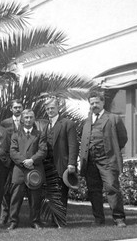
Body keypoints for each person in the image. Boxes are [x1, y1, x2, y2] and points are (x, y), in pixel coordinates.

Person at [79, 92, 128, 227]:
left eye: (97, 103)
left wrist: (112, 150)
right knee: (94, 191)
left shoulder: (113, 118)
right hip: (90, 162)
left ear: (102, 103)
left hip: (107, 160)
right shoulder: (87, 121)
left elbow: (122, 139)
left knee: (112, 188)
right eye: (92, 103)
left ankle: (119, 219)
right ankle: (98, 219)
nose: (94, 105)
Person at [8, 109, 47, 230]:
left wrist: (32, 160)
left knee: (35, 198)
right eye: (26, 117)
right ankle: (13, 221)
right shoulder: (15, 134)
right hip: (19, 170)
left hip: (35, 170)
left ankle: (35, 221)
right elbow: (13, 151)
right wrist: (24, 162)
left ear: (34, 119)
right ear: (22, 119)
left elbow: (43, 151)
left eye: (31, 117)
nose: (28, 120)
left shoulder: (40, 134)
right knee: (15, 197)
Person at [43, 98, 79, 226]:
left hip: (62, 164)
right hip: (47, 166)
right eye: (47, 109)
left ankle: (60, 221)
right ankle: (54, 220)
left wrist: (72, 163)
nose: (50, 111)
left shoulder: (67, 123)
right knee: (51, 194)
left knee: (61, 193)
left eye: (52, 108)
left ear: (58, 107)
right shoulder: (45, 125)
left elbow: (73, 145)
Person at [0, 99, 24, 224]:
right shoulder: (4, 123)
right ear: (11, 109)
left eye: (20, 107)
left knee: (17, 189)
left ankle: (15, 216)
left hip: (22, 161)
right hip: (8, 161)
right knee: (5, 189)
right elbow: (2, 141)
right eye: (15, 107)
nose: (18, 109)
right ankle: (4, 215)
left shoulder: (28, 121)